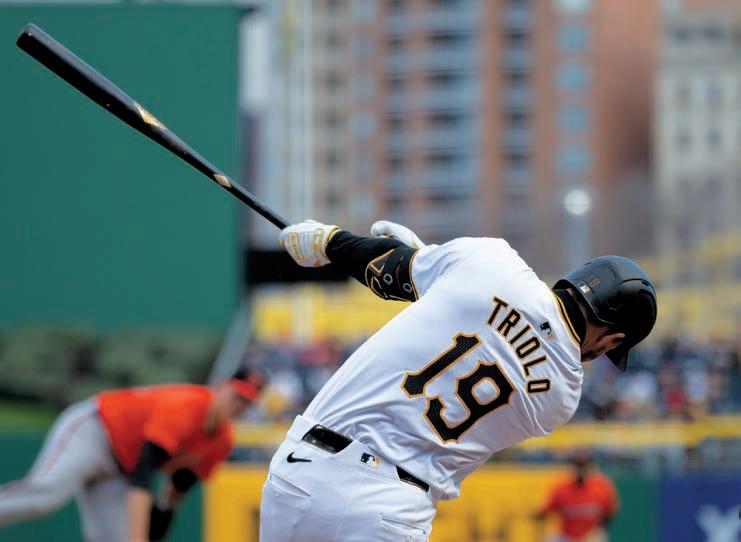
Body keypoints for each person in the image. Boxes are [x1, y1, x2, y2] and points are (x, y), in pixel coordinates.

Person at [260, 219, 657, 542]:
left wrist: (329, 242)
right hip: (392, 507)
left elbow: (386, 267)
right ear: (612, 338)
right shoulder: (562, 397)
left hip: (304, 469)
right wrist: (437, 278)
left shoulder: (492, 261)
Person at [0, 367, 263, 542]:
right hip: (95, 431)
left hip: (120, 468)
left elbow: (180, 485)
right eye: (236, 396)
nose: (237, 406)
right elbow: (143, 476)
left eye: (246, 403)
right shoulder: (188, 406)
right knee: (46, 495)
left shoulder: (222, 442)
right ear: (220, 387)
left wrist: (167, 509)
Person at [534, 451, 619, 542]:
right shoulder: (561, 489)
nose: (581, 470)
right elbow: (543, 513)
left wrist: (599, 530)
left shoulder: (602, 487)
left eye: (584, 466)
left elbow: (609, 513)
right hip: (567, 536)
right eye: (577, 466)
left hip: (590, 536)